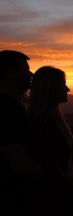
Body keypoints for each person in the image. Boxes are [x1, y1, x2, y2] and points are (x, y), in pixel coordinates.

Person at [27, 66, 73, 216]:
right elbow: (49, 169)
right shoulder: (41, 124)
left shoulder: (55, 120)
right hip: (54, 202)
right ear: (50, 87)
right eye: (63, 84)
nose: (67, 89)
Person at [0, 50, 40, 215]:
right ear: (10, 73)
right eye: (26, 70)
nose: (31, 74)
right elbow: (21, 164)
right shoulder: (7, 109)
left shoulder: (13, 107)